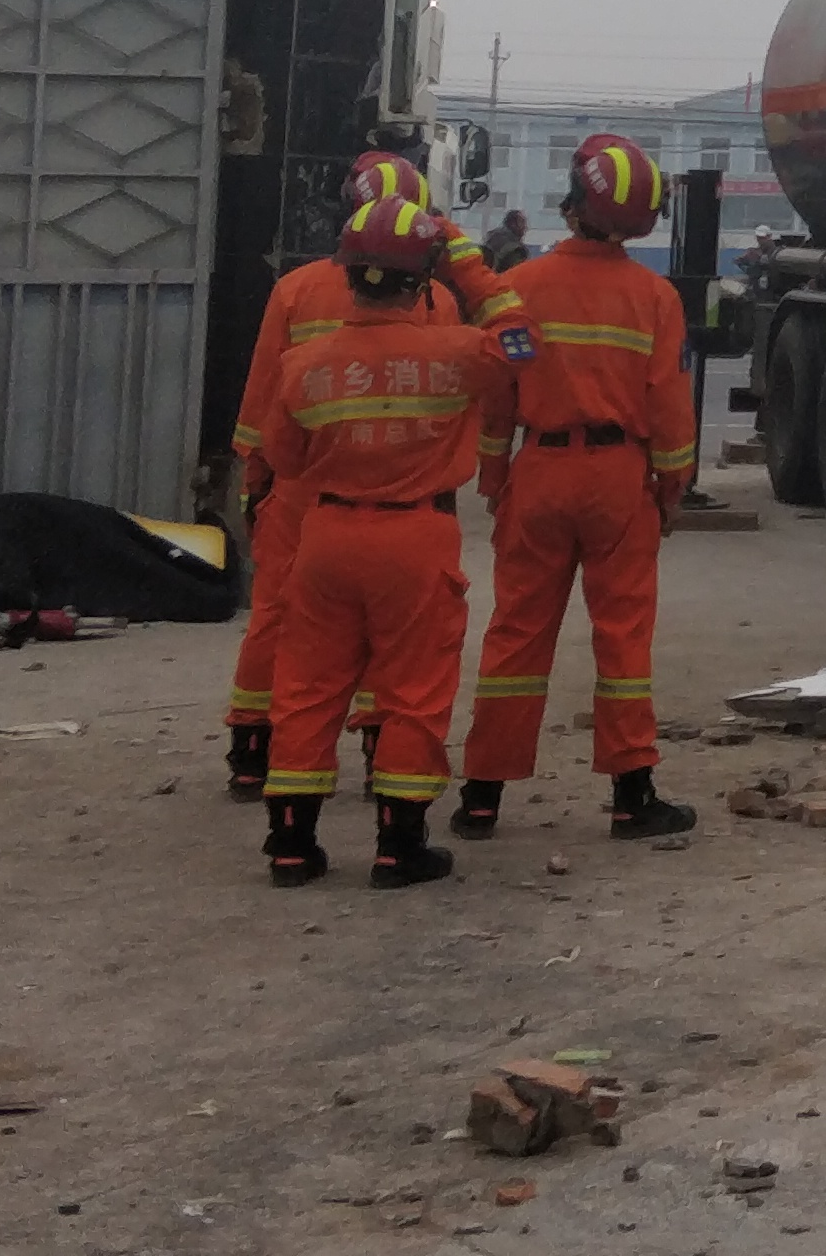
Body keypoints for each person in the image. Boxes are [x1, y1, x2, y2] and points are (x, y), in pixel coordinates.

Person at [220, 155, 508, 796]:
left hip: (308, 488)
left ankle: (254, 748)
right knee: (398, 636)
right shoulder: (439, 302)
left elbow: (263, 396)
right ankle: (385, 751)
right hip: (407, 490)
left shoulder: (295, 290)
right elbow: (473, 377)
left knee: (281, 620)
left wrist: (256, 482)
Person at [452, 133, 702, 841]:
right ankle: (632, 796)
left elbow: (498, 395)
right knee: (623, 638)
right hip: (618, 480)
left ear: (572, 202)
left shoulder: (521, 287)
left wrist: (496, 478)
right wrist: (671, 487)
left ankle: (481, 797)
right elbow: (669, 406)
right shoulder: (655, 298)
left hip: (540, 471)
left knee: (516, 634)